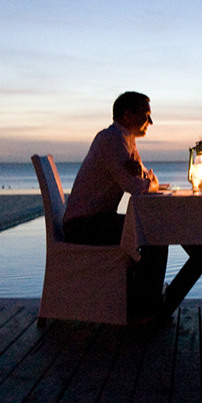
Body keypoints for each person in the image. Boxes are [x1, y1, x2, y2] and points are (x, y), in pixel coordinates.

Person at [63, 91, 167, 318]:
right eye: (146, 115)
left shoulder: (126, 141)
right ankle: (144, 312)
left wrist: (145, 178)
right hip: (82, 226)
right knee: (155, 236)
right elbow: (138, 187)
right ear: (128, 116)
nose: (150, 122)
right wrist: (149, 180)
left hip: (97, 220)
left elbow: (141, 180)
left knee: (152, 233)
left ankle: (142, 303)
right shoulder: (111, 139)